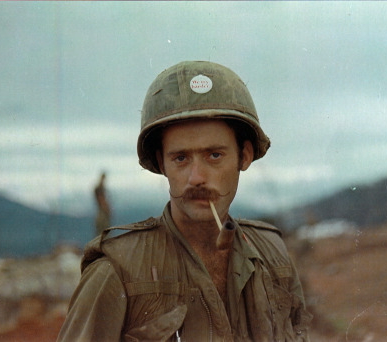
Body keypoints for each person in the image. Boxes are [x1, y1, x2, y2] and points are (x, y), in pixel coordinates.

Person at [57, 61, 312, 341]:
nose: (197, 178)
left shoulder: (272, 255)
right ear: (161, 163)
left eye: (214, 155)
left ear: (245, 155)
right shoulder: (117, 270)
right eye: (181, 158)